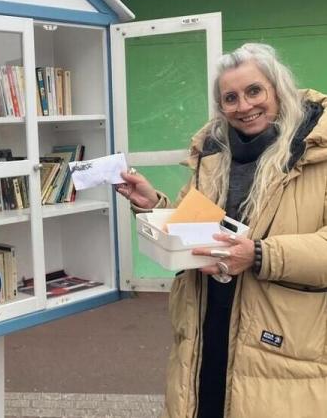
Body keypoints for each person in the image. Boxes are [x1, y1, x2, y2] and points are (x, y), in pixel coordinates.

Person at [116, 43, 327, 418]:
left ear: (278, 89)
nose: (244, 106)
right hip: (207, 323)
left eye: (254, 91)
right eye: (230, 98)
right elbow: (194, 227)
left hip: (282, 344)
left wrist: (260, 254)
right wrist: (156, 206)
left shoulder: (316, 153)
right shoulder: (214, 153)